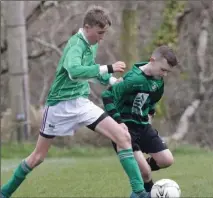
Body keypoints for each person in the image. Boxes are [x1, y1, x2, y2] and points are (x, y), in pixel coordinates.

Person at [1, 6, 150, 198]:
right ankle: (4, 193)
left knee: (123, 136)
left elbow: (90, 71)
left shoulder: (92, 44)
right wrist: (108, 68)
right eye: (100, 32)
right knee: (38, 157)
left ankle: (139, 192)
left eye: (104, 33)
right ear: (87, 27)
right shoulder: (75, 44)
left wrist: (112, 81)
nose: (102, 37)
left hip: (81, 103)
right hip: (59, 106)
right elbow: (74, 71)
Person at [102, 45, 178, 192]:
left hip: (143, 127)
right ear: (152, 60)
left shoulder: (158, 81)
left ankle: (138, 171)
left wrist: (150, 112)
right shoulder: (133, 79)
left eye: (168, 72)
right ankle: (145, 186)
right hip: (125, 130)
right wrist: (118, 121)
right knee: (146, 173)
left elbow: (152, 99)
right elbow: (107, 96)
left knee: (166, 160)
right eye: (163, 70)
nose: (165, 75)